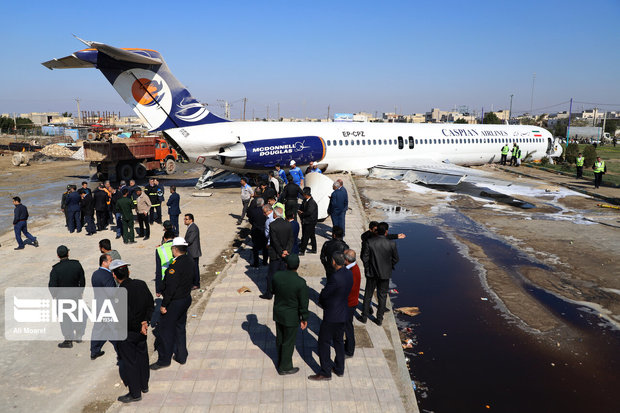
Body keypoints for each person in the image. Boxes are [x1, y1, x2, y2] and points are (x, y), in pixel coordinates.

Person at [111, 259, 154, 403]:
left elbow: (126, 317)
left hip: (128, 333)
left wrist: (139, 326)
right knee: (142, 357)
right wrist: (145, 322)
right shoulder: (141, 284)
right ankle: (144, 385)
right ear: (128, 272)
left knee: (130, 362)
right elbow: (150, 304)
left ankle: (135, 393)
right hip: (142, 331)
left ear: (114, 276)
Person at [151, 237, 193, 370]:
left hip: (175, 302)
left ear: (175, 249)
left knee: (165, 330)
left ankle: (164, 360)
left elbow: (170, 289)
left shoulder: (174, 267)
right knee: (180, 327)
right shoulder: (190, 261)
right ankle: (182, 355)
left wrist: (164, 305)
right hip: (185, 298)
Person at [309, 252, 353, 381]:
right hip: (343, 313)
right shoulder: (348, 273)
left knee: (324, 342)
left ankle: (325, 372)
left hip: (332, 315)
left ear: (334, 262)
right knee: (339, 341)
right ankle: (339, 369)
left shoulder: (335, 277)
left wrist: (322, 300)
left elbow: (325, 294)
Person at [271, 254, 308, 375]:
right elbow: (303, 303)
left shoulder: (277, 276)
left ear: (286, 265)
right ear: (297, 266)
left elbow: (272, 290)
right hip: (291, 316)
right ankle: (285, 367)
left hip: (278, 313)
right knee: (289, 341)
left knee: (280, 338)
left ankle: (280, 360)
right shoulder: (301, 283)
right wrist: (304, 318)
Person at [360, 222, 399, 326]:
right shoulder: (391, 243)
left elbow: (364, 258)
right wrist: (388, 267)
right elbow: (396, 259)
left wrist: (368, 268)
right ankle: (379, 319)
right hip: (385, 274)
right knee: (382, 297)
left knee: (368, 295)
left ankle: (364, 317)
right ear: (386, 232)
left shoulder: (370, 242)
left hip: (371, 273)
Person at [49, 245, 85, 348]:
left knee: (64, 318)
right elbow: (82, 280)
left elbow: (52, 285)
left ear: (58, 256)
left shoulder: (56, 269)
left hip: (62, 297)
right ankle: (78, 335)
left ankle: (68, 340)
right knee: (77, 314)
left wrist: (55, 296)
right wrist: (80, 291)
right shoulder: (76, 264)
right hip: (75, 294)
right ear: (68, 254)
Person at [262, 206, 293, 300]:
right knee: (283, 273)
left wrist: (280, 252)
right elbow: (291, 239)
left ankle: (269, 293)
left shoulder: (272, 225)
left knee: (271, 274)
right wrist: (286, 251)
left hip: (275, 254)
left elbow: (274, 241)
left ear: (275, 214)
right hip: (285, 254)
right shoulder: (288, 224)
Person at [90, 253, 116, 360]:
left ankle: (94, 351)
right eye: (110, 260)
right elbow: (111, 293)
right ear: (104, 262)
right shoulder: (108, 276)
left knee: (98, 329)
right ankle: (122, 351)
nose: (112, 262)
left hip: (98, 304)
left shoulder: (95, 274)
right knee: (115, 330)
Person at [343, 249, 361, 357]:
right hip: (351, 302)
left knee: (348, 326)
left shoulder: (351, 272)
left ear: (346, 259)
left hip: (349, 303)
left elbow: (348, 290)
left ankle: (350, 350)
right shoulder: (353, 268)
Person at [248, 198, 268, 267]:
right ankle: (265, 261)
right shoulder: (265, 211)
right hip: (264, 230)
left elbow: (250, 220)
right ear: (263, 204)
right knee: (265, 247)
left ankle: (256, 263)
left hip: (255, 230)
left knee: (255, 248)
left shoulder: (253, 211)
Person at [298, 187, 318, 255]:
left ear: (307, 194)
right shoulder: (305, 200)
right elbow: (302, 207)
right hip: (305, 221)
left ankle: (302, 250)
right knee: (312, 235)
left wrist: (302, 213)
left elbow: (309, 212)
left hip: (310, 222)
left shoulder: (312, 202)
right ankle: (314, 249)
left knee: (306, 236)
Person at [184, 213, 202, 289]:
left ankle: (196, 283)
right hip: (191, 251)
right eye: (184, 219)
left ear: (191, 220)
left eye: (186, 219)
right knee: (192, 268)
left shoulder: (193, 228)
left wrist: (183, 243)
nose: (184, 221)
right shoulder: (190, 227)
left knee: (195, 268)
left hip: (193, 252)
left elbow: (190, 240)